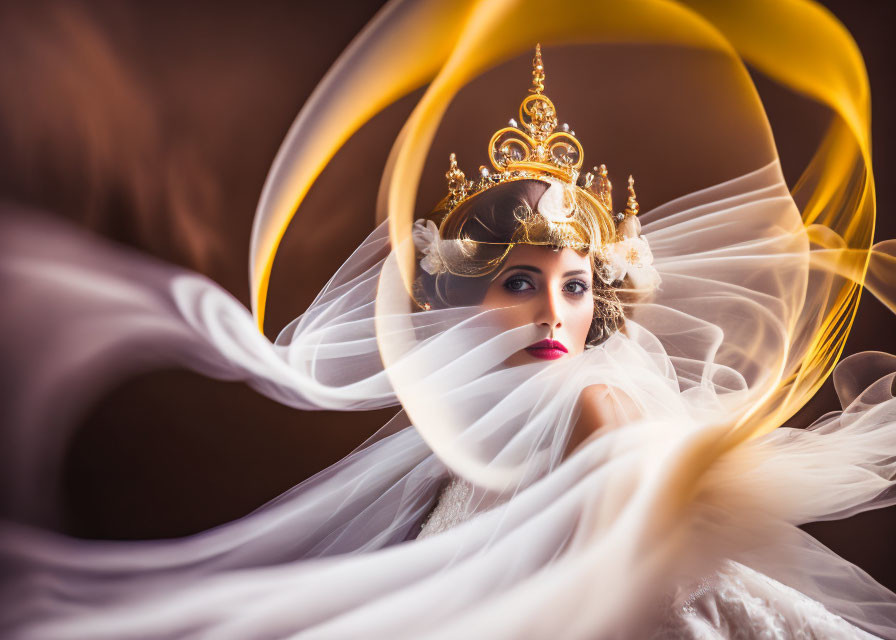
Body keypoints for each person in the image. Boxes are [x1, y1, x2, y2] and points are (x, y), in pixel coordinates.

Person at [1, 23, 895, 640]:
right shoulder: (468, 438)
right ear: (458, 299)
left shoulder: (598, 401)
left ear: (601, 298)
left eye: (576, 286)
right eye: (519, 283)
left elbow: (630, 599)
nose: (554, 311)